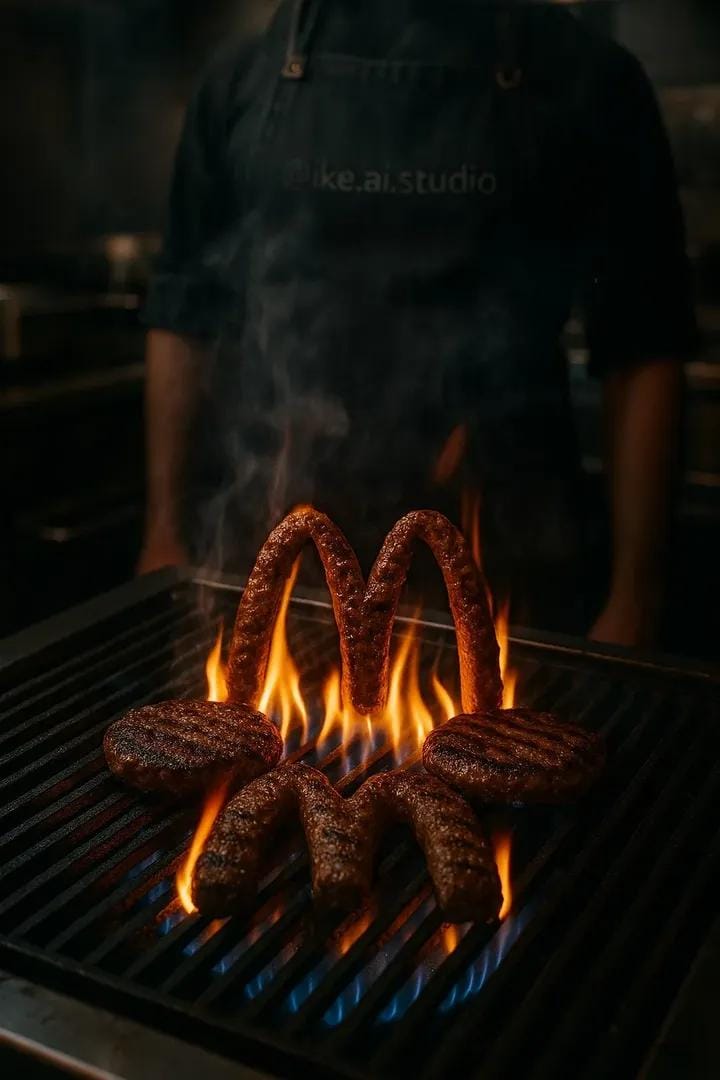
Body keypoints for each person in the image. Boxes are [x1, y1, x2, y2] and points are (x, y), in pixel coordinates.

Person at [137, 0, 696, 646]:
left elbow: (645, 348)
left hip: (510, 598)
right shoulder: (239, 81)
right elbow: (182, 316)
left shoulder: (591, 81)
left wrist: (636, 599)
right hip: (275, 586)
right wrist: (163, 536)